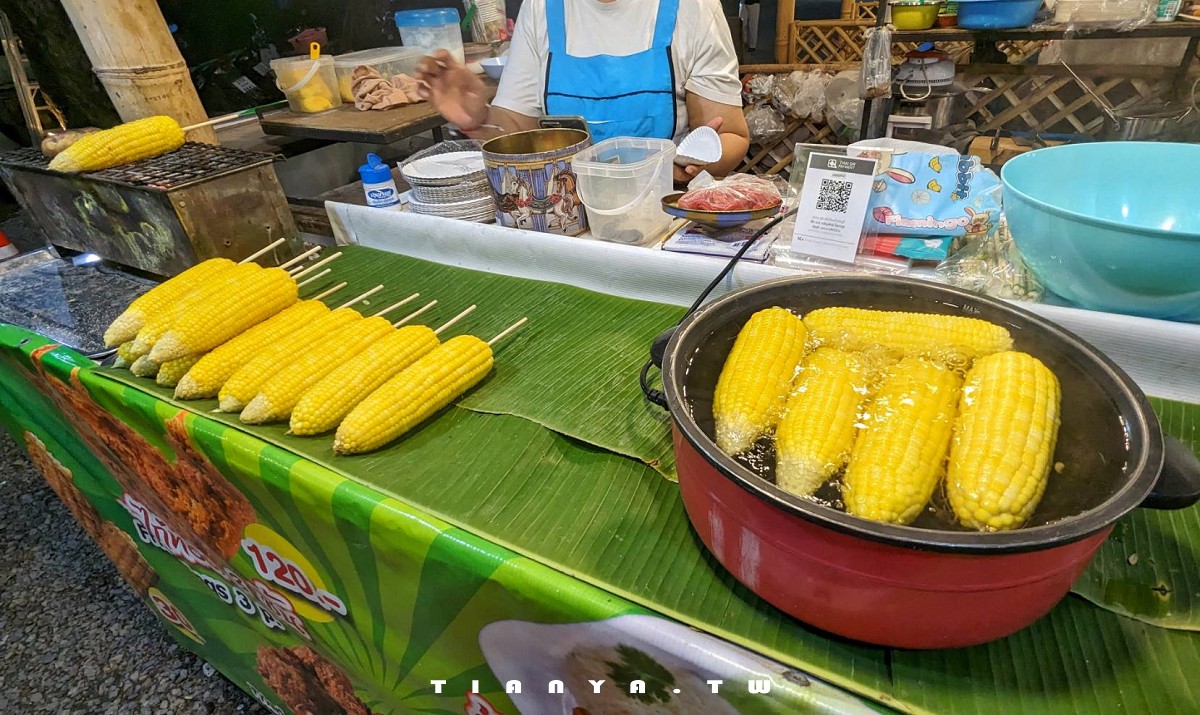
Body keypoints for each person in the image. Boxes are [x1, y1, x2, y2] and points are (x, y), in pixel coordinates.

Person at [415, 0, 750, 183]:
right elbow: (518, 133)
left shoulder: (692, 8)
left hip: (660, 215)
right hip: (563, 215)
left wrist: (697, 162)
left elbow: (732, 135)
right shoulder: (541, 8)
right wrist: (479, 118)